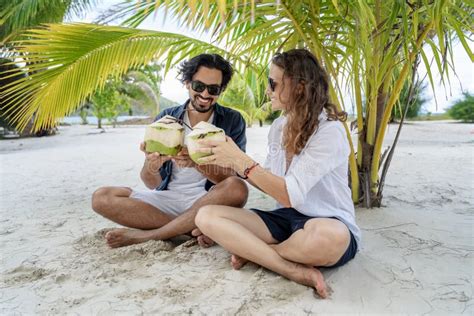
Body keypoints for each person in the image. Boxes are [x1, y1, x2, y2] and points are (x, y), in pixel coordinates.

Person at [193, 49, 360, 298]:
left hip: (328, 221)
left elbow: (291, 193)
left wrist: (240, 158)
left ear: (300, 86)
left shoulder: (330, 131)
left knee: (327, 238)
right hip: (284, 218)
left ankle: (258, 253)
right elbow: (269, 181)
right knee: (206, 216)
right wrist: (228, 162)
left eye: (273, 83)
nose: (268, 90)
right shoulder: (279, 126)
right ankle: (289, 267)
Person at [91, 53, 248, 248]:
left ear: (221, 90)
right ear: (187, 83)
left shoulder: (232, 120)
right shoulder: (166, 118)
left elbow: (231, 179)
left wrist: (197, 162)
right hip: (167, 199)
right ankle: (190, 229)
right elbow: (152, 183)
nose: (205, 95)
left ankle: (152, 235)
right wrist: (152, 166)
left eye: (213, 89)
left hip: (208, 199)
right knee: (101, 197)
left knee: (237, 188)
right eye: (199, 86)